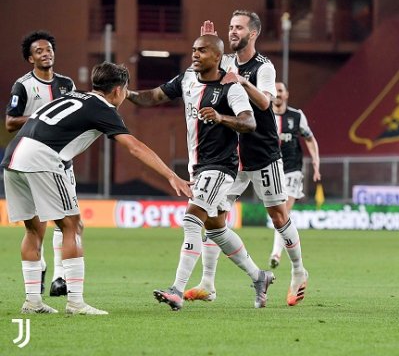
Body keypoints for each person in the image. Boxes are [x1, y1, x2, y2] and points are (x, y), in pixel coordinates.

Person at [2, 61, 192, 315]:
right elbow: (134, 147)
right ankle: (76, 303)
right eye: (125, 90)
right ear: (117, 90)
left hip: (13, 156)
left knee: (33, 230)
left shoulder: (74, 95)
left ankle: (33, 302)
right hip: (42, 158)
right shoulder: (103, 108)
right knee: (72, 226)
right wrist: (171, 176)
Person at [126, 34, 275, 310]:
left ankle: (177, 290)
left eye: (202, 51)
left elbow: (249, 121)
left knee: (192, 220)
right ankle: (259, 276)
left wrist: (221, 118)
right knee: (216, 228)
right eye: (194, 50)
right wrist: (126, 94)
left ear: (217, 57)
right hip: (200, 167)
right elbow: (153, 97)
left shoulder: (230, 87)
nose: (195, 55)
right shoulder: (187, 79)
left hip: (220, 167)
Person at [184, 11, 309, 307]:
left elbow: (266, 102)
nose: (232, 32)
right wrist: (209, 45)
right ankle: (208, 283)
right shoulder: (224, 61)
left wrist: (240, 80)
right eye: (230, 27)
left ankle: (299, 271)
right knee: (215, 215)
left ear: (253, 33)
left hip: (263, 153)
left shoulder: (263, 66)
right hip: (232, 156)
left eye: (238, 28)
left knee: (278, 215)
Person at [6, 30, 75, 298]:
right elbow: (10, 122)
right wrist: (39, 115)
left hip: (62, 160)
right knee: (36, 226)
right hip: (31, 161)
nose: (46, 54)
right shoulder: (22, 86)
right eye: (39, 51)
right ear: (30, 58)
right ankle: (42, 268)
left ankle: (59, 276)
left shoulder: (66, 84)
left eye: (49, 49)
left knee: (65, 220)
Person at [268, 81, 321, 269]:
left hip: (292, 169)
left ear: (287, 94)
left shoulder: (297, 116)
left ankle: (276, 252)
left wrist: (316, 161)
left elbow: (309, 138)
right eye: (274, 91)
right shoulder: (264, 116)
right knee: (277, 213)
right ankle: (280, 250)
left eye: (280, 90)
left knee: (283, 210)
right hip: (271, 168)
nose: (277, 94)